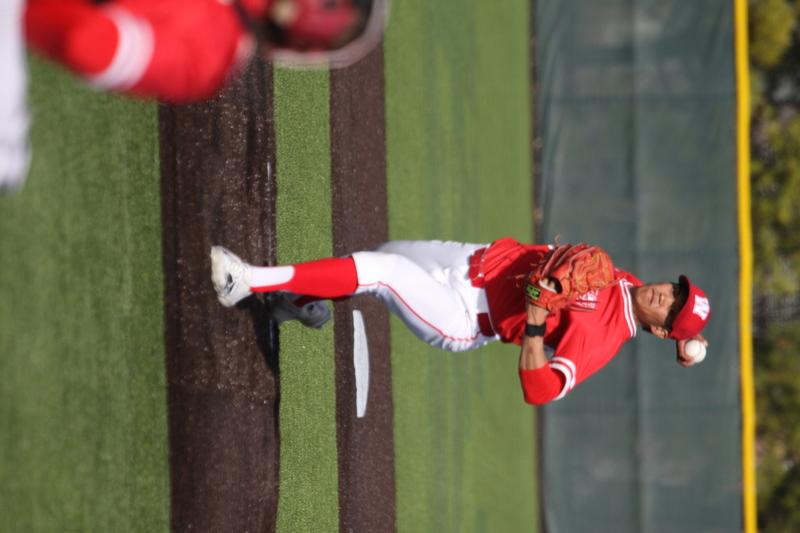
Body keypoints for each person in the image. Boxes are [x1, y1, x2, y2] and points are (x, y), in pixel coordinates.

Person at [209, 238, 712, 405]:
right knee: (377, 256)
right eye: (677, 290)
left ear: (662, 328)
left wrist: (535, 326)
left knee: (382, 274)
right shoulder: (621, 278)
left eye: (673, 306)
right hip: (471, 260)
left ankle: (248, 280)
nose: (667, 293)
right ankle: (297, 305)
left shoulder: (605, 338)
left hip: (465, 316)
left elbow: (541, 390)